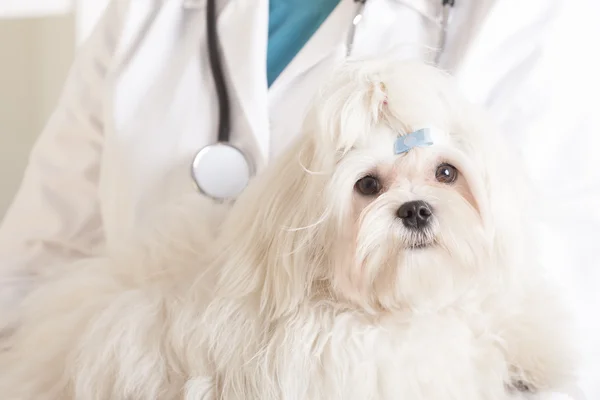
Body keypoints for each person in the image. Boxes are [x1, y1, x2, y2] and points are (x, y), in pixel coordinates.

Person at [0, 0, 598, 397]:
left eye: (442, 173)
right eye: (370, 186)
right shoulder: (140, 12)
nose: (414, 202)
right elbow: (30, 265)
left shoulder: (534, 16)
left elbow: (558, 278)